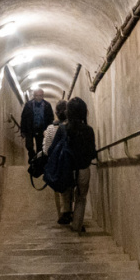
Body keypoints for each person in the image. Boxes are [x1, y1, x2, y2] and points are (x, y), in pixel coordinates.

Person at [65, 97, 97, 234]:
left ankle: (66, 214)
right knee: (81, 197)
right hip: (83, 168)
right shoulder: (88, 130)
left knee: (67, 193)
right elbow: (92, 152)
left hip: (67, 168)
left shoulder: (64, 129)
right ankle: (76, 226)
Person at [44, 100, 73, 225]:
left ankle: (61, 214)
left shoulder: (51, 129)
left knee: (57, 189)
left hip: (56, 164)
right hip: (70, 163)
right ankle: (69, 212)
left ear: (56, 112)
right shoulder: (73, 126)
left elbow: (46, 150)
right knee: (70, 188)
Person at [20, 88, 54, 162]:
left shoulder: (47, 105)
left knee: (40, 146)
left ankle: (38, 161)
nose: (38, 97)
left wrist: (49, 130)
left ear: (43, 96)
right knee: (29, 145)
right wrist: (22, 130)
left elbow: (51, 118)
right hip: (30, 128)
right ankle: (32, 156)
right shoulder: (28, 104)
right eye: (37, 95)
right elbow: (23, 117)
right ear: (34, 96)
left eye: (40, 95)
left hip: (42, 129)